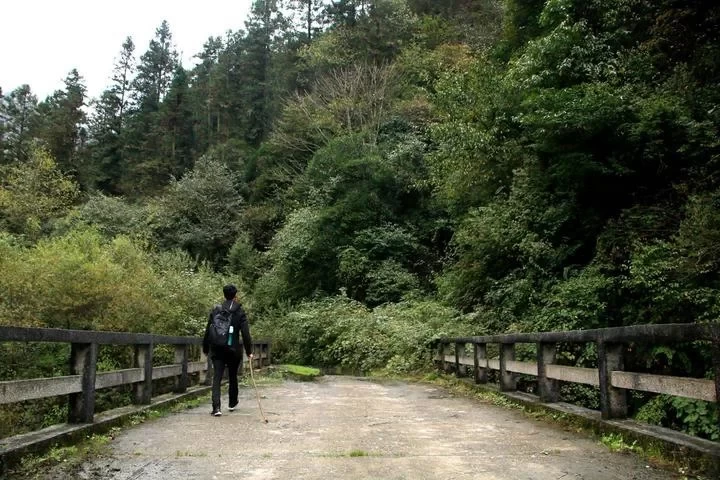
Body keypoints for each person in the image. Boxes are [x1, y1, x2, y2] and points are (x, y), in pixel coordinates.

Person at [203, 284, 253, 416]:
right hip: (233, 349)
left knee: (217, 377)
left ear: (224, 295)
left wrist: (205, 347)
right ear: (235, 295)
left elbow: (208, 330)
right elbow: (246, 334)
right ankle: (232, 402)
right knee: (232, 376)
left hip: (217, 348)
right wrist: (249, 351)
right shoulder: (239, 311)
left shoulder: (216, 310)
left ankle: (216, 408)